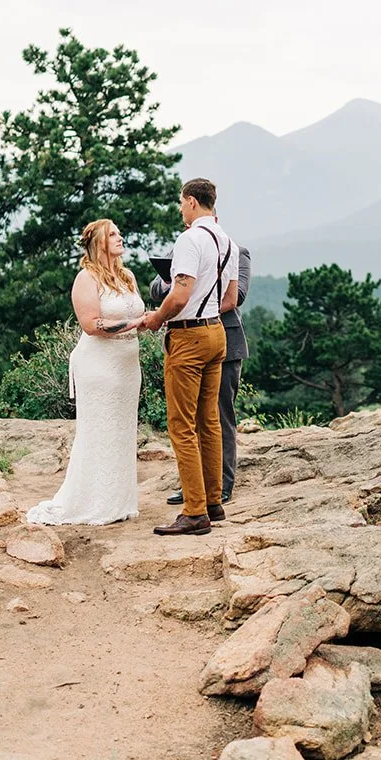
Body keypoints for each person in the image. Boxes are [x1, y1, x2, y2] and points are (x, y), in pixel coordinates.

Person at [26, 218, 147, 526]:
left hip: (128, 366)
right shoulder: (86, 278)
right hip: (99, 366)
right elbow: (91, 325)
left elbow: (137, 312)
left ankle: (118, 501)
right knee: (99, 431)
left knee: (122, 431)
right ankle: (92, 502)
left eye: (120, 232)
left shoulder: (128, 276)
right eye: (113, 234)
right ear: (99, 243)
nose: (121, 238)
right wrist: (136, 323)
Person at [141, 178, 237, 536]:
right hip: (217, 333)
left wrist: (156, 318)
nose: (180, 209)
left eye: (181, 203)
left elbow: (180, 294)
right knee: (208, 421)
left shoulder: (189, 239)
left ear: (193, 202)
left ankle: (194, 511)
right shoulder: (226, 240)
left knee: (181, 425)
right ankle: (214, 501)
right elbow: (229, 298)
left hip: (189, 337)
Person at [155, 233, 250, 506]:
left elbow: (237, 295)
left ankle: (221, 485)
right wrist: (170, 283)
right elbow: (156, 289)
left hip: (225, 343)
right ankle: (194, 486)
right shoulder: (186, 249)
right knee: (192, 416)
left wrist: (197, 298)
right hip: (191, 337)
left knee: (219, 416)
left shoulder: (236, 251)